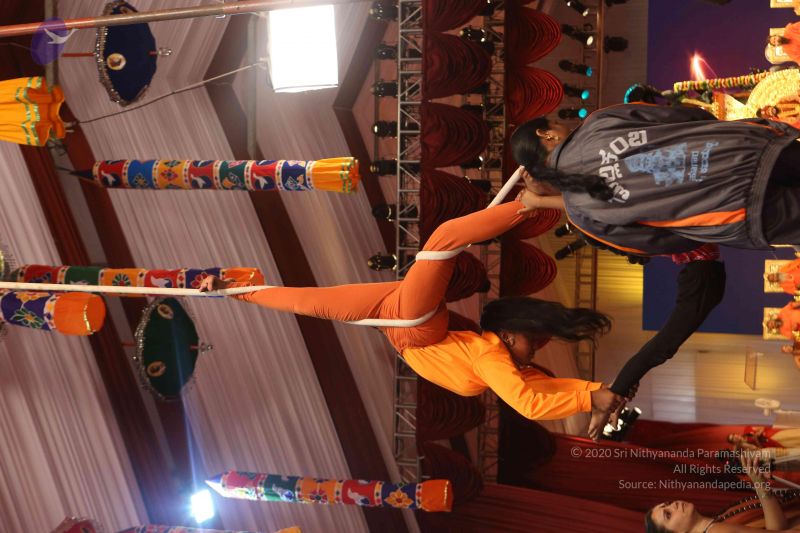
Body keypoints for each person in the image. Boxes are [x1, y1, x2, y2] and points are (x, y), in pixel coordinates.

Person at [198, 193, 629, 423]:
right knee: (438, 243)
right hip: (411, 326)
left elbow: (537, 396)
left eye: (533, 348)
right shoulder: (493, 358)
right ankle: (527, 206)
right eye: (533, 346)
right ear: (510, 335)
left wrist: (592, 396)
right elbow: (537, 397)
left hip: (403, 327)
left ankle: (234, 289)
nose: (532, 355)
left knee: (314, 301)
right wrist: (592, 397)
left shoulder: (497, 361)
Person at [509, 104, 800, 256]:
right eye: (555, 122)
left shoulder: (582, 214)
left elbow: (656, 243)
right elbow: (684, 115)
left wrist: (697, 218)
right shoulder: (598, 123)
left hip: (736, 212)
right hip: (747, 151)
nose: (562, 123)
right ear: (545, 133)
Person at [645, 452, 797, 532]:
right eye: (668, 514)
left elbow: (777, 529)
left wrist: (759, 483)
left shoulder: (716, 523)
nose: (673, 505)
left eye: (668, 504)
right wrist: (759, 484)